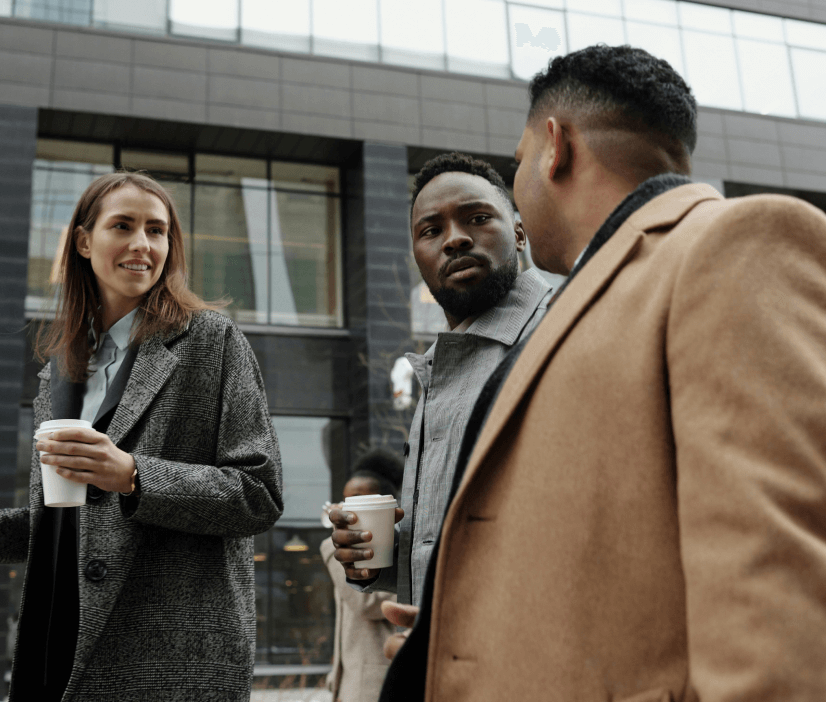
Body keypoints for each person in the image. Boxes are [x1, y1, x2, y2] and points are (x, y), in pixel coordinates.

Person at [380, 44, 826, 701]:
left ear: (554, 146)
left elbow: (775, 590)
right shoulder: (593, 298)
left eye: (518, 161)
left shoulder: (739, 241)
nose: (519, 185)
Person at [0, 171, 284, 702]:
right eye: (124, 225)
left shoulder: (211, 341)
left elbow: (260, 494)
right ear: (84, 241)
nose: (143, 244)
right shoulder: (63, 368)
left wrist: (134, 476)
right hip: (56, 644)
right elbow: (74, 522)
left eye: (157, 231)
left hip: (165, 664)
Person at [331, 152, 552, 609]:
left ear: (518, 230)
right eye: (431, 231)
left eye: (477, 218)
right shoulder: (439, 365)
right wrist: (381, 560)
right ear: (417, 254)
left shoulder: (563, 333)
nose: (454, 239)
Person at [320, 448, 403, 702]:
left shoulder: (397, 548)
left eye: (357, 498)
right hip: (348, 683)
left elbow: (365, 603)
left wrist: (330, 547)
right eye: (345, 499)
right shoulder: (349, 545)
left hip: (376, 683)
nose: (347, 506)